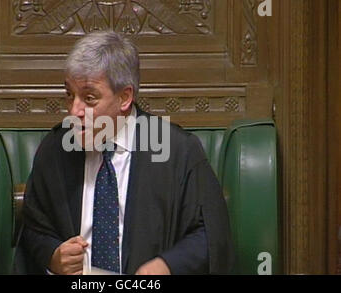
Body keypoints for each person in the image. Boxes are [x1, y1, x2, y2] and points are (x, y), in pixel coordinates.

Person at [16, 31, 234, 275]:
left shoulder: (176, 151)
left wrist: (168, 265)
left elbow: (210, 233)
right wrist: (53, 255)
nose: (74, 110)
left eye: (89, 98)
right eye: (69, 95)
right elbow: (34, 228)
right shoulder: (56, 149)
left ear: (125, 97)